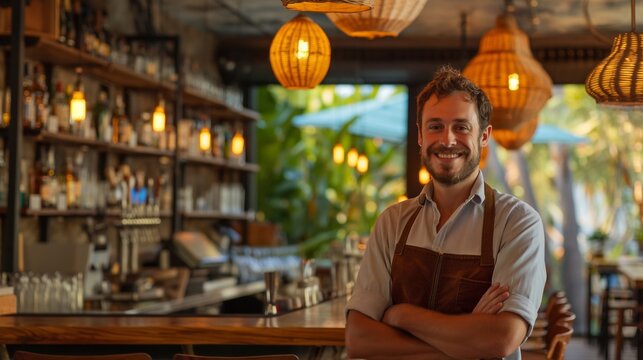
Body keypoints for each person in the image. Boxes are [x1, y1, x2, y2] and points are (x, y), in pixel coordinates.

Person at [345, 66, 546, 360]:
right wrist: (467, 342)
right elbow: (360, 339)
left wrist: (401, 315)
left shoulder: (517, 222)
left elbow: (501, 339)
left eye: (462, 127)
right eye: (435, 126)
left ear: (484, 136)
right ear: (420, 136)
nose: (447, 139)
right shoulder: (392, 222)